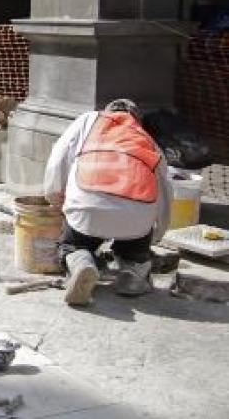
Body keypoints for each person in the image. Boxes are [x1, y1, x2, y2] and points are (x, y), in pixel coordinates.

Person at [44, 99, 172, 306]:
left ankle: (79, 260)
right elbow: (165, 189)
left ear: (107, 110)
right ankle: (133, 274)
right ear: (136, 118)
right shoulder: (145, 138)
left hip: (88, 204)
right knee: (134, 246)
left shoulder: (88, 120)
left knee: (73, 243)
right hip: (136, 214)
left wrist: (53, 195)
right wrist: (156, 233)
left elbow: (58, 156)